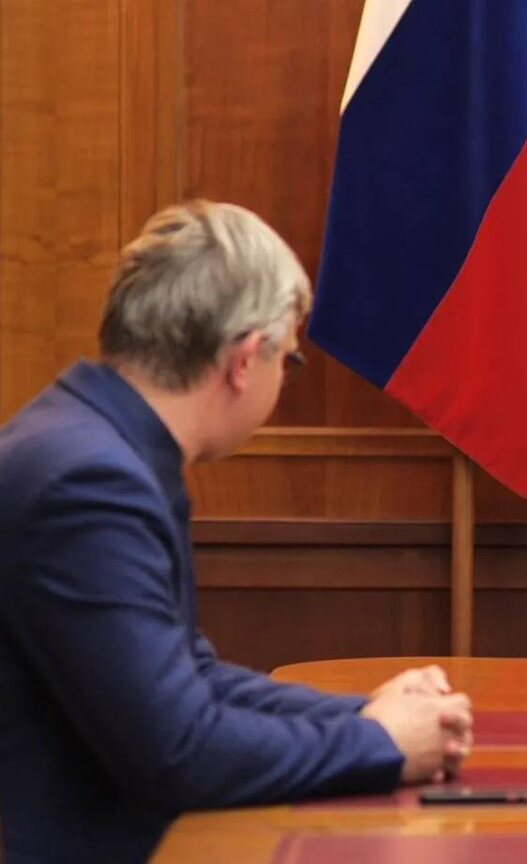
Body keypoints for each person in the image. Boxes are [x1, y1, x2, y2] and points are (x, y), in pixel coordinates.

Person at [0, 201, 474, 863]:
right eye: (290, 359)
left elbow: (190, 679)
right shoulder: (90, 483)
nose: (284, 377)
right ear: (246, 359)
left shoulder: (95, 444)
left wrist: (363, 714)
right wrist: (381, 744)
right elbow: (177, 750)